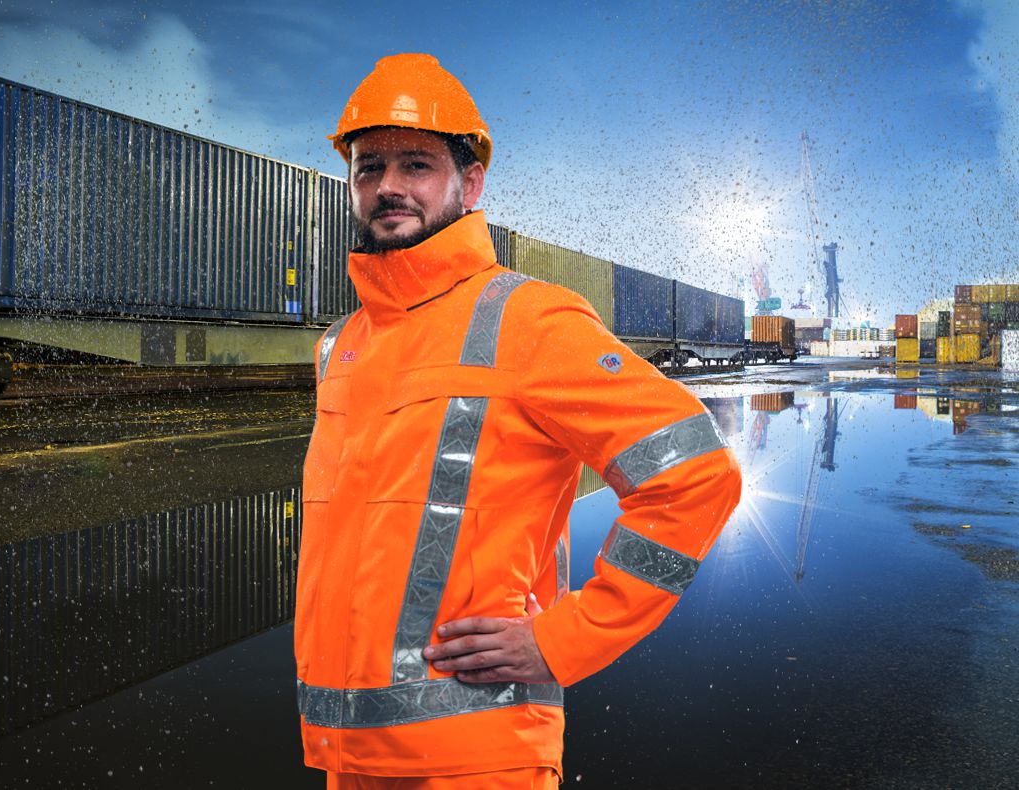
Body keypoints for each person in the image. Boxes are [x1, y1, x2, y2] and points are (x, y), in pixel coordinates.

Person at [295, 53, 743, 789]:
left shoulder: (528, 319)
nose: (389, 187)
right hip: (347, 753)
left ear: (469, 184)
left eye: (417, 164)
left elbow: (696, 474)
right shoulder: (342, 345)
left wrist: (566, 639)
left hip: (478, 756)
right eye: (369, 167)